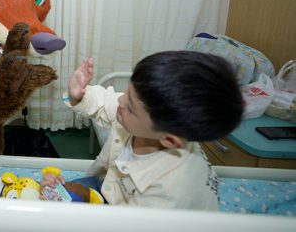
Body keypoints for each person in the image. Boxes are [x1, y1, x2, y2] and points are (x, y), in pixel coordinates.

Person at [40, 51, 243, 210]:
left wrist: (86, 202)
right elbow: (104, 103)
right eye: (128, 91)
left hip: (132, 214)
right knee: (57, 193)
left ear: (169, 141)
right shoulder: (144, 114)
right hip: (110, 188)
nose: (121, 100)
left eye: (131, 108)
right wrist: (79, 95)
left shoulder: (171, 192)